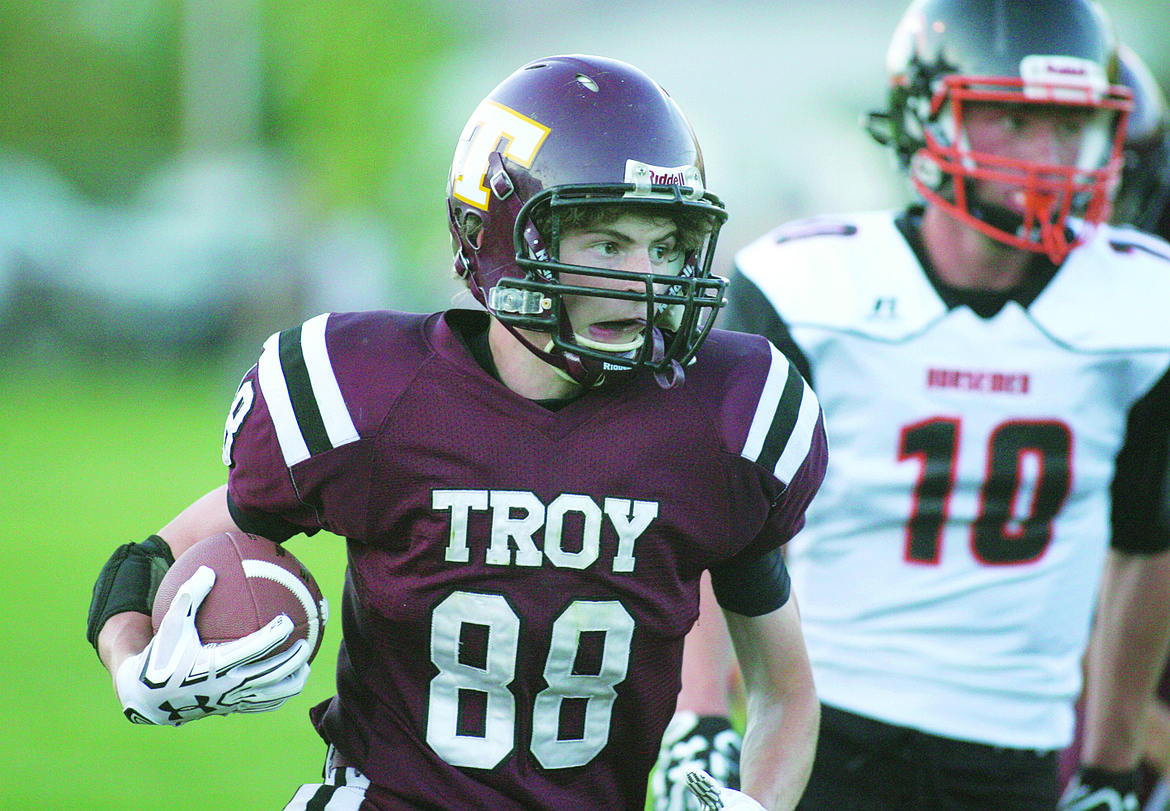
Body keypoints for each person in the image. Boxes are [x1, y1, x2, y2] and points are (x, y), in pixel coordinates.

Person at [85, 54, 829, 811]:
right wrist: (133, 667)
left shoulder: (717, 417)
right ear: (502, 235)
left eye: (665, 247)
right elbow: (146, 563)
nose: (645, 280)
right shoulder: (379, 393)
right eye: (608, 244)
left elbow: (786, 694)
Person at [656, 1, 1170, 810]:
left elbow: (1148, 543)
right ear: (930, 117)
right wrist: (702, 707)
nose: (1052, 154)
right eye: (1014, 119)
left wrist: (1108, 765)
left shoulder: (1142, 303)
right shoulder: (811, 288)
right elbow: (713, 516)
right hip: (831, 724)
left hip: (1020, 747)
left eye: (1071, 125)